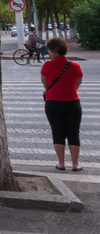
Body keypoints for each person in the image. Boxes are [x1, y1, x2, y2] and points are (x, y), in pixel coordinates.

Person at [41, 37, 84, 171]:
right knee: (74, 133)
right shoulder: (75, 66)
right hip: (72, 103)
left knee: (58, 133)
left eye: (49, 50)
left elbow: (45, 83)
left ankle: (61, 163)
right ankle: (75, 164)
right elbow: (78, 82)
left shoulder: (47, 66)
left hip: (53, 103)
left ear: (53, 51)